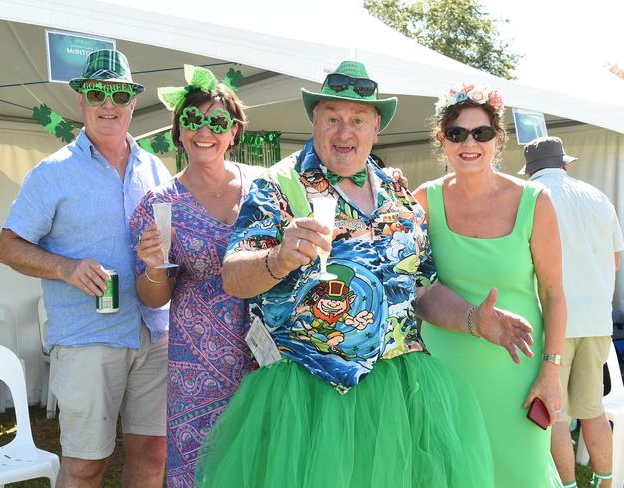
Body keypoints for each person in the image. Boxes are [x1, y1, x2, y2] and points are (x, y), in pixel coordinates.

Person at [194, 61, 537, 488]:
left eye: (358, 120)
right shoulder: (279, 186)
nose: (345, 131)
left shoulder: (398, 190)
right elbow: (233, 276)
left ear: (376, 128)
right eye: (332, 118)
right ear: (314, 122)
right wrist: (278, 259)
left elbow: (422, 288)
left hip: (399, 391)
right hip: (309, 397)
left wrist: (473, 319)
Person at [0, 49, 170, 487]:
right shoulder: (52, 172)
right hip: (88, 337)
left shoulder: (155, 168)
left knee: (152, 453)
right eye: (97, 93)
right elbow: (6, 246)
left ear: (132, 103)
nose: (107, 105)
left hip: (154, 331)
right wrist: (65, 268)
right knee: (86, 463)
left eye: (118, 95)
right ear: (81, 102)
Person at [414, 83, 566, 487]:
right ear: (441, 140)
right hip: (445, 366)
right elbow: (412, 289)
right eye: (457, 133)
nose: (469, 143)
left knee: (520, 473)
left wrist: (550, 371)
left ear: (497, 139)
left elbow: (553, 294)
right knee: (450, 473)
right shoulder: (423, 201)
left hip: (517, 368)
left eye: (481, 133)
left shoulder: (535, 200)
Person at [129, 65, 262, 486]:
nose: (205, 131)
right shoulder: (159, 204)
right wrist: (153, 268)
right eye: (193, 120)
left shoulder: (265, 187)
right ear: (179, 130)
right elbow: (153, 299)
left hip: (266, 350)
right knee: (198, 464)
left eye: (217, 121)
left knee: (260, 456)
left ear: (234, 132)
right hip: (197, 361)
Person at [521, 136, 623, 488]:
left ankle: (566, 486)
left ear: (530, 170)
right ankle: (605, 482)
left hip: (552, 319)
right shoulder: (598, 196)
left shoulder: (528, 196)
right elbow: (615, 261)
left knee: (556, 414)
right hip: (597, 320)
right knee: (593, 410)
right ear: (564, 164)